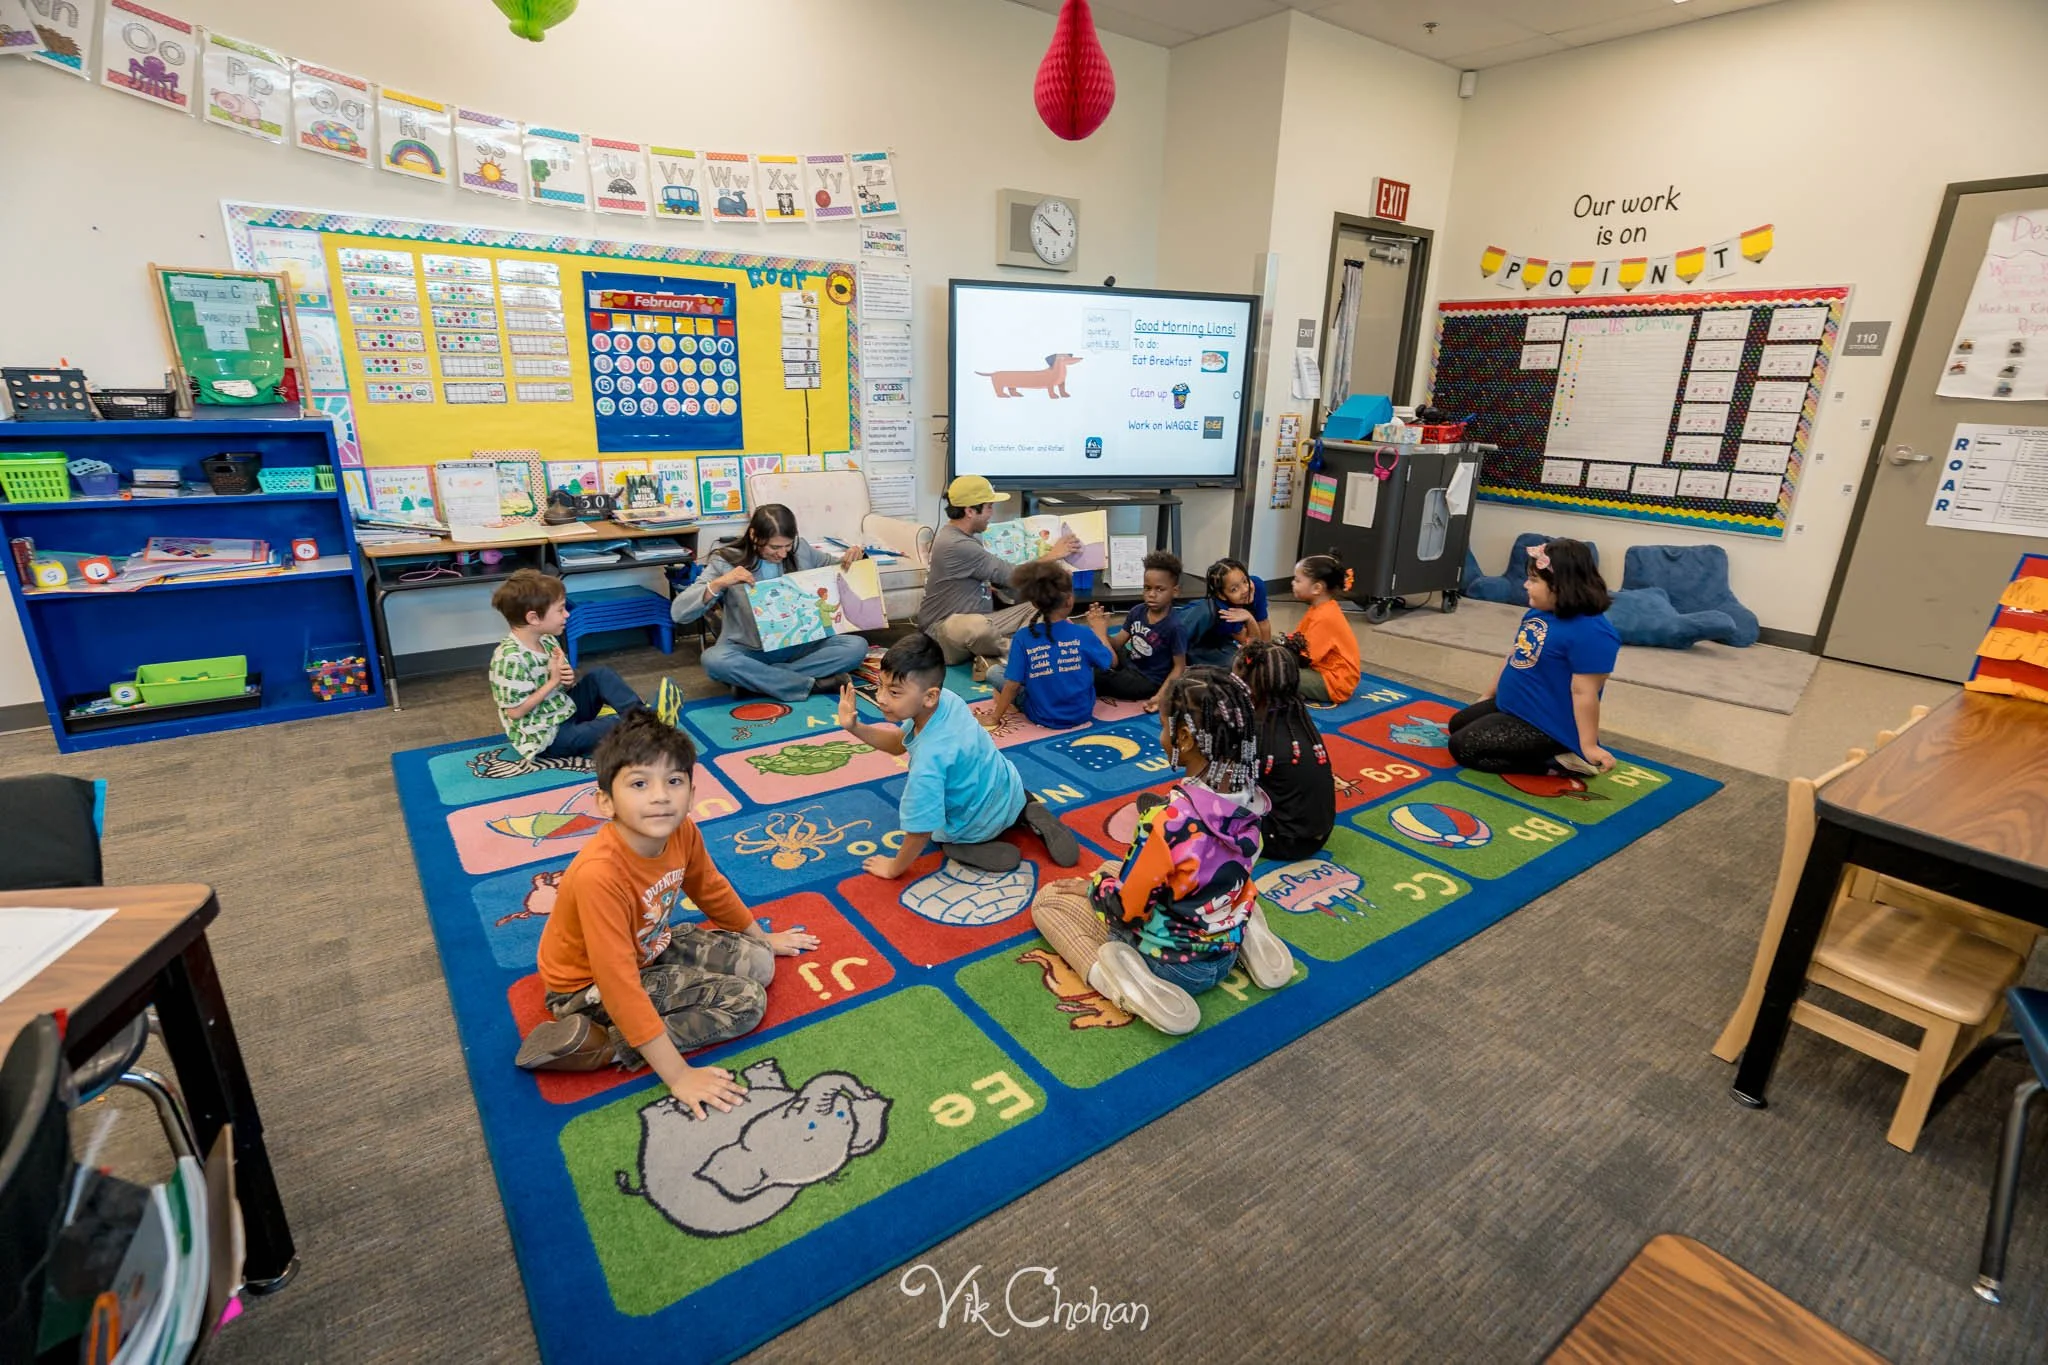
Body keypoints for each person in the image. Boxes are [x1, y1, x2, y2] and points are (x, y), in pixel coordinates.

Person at [512, 713, 819, 1117]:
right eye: (639, 784)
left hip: (646, 946)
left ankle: (643, 1019)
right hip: (586, 987)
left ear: (692, 792)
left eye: (674, 781)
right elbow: (618, 982)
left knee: (760, 962)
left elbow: (709, 887)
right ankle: (604, 1044)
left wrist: (759, 937)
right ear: (606, 801)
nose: (661, 796)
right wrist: (678, 1076)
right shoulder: (598, 876)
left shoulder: (682, 830)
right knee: (746, 1002)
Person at [1027, 667, 1295, 1036]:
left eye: (1165, 726)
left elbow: (1126, 911)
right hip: (1222, 940)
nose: (1162, 734)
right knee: (1115, 867)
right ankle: (1245, 937)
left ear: (1184, 737)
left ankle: (1124, 983)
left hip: (1174, 964)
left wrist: (1093, 890)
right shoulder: (1254, 801)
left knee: (1050, 903)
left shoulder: (1167, 821)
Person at [836, 632, 1079, 875]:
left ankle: (973, 844)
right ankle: (1028, 809)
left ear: (930, 696)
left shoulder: (927, 764)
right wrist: (855, 727)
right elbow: (900, 743)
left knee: (941, 835)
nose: (881, 699)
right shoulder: (948, 700)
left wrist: (893, 869)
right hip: (1009, 791)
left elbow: (920, 830)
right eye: (880, 686)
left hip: (976, 823)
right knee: (996, 777)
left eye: (894, 692)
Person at [1448, 539, 1620, 777]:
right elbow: (1515, 655)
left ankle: (1559, 761)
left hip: (1547, 724)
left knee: (1463, 748)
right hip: (1515, 706)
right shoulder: (1538, 612)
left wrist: (1589, 746)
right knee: (1456, 724)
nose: (1526, 585)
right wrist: (1488, 695)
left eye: (1534, 580)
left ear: (1561, 585)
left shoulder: (1594, 632)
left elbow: (1585, 692)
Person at [670, 503, 871, 704]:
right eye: (775, 547)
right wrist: (719, 583)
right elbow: (679, 613)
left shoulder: (801, 549)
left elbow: (838, 568)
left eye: (787, 545)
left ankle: (758, 682)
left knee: (856, 646)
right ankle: (810, 684)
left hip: (800, 645)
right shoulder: (725, 560)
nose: (783, 554)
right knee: (713, 660)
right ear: (754, 536)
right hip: (750, 649)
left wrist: (855, 557)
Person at [488, 568, 680, 760]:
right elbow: (515, 712)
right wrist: (553, 682)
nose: (567, 615)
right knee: (612, 725)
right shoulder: (509, 659)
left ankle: (645, 720)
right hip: (549, 737)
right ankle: (649, 726)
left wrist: (566, 680)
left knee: (600, 675)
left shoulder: (546, 640)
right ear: (533, 618)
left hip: (563, 710)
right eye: (560, 609)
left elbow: (563, 685)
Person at [915, 474, 1079, 676]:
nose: (992, 513)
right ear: (969, 511)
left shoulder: (963, 537)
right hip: (942, 633)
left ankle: (995, 655)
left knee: (1040, 606)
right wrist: (1053, 555)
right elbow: (1013, 575)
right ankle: (1018, 653)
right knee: (977, 627)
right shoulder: (957, 544)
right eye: (989, 507)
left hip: (984, 620)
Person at [1235, 639, 1335, 861]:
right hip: (1319, 834)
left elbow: (1233, 789)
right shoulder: (1295, 714)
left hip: (1283, 841)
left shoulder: (1258, 733)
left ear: (1250, 686)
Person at [982, 560, 1112, 731]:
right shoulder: (1083, 633)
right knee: (1088, 660)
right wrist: (1100, 631)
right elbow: (1108, 662)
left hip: (1041, 715)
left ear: (1034, 604)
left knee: (995, 672)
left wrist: (995, 717)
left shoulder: (1023, 637)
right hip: (1082, 713)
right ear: (1069, 600)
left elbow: (1012, 685)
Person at [1085, 550, 1187, 712]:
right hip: (1131, 662)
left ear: (1175, 591)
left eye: (1159, 589)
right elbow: (1118, 643)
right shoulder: (1137, 611)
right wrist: (1101, 629)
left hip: (1148, 681)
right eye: (1147, 588)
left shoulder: (1174, 627)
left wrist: (1161, 697)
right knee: (1092, 657)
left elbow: (1179, 668)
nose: (1151, 595)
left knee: (1094, 677)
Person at [1283, 554, 1362, 705]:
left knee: (1272, 672)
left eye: (1298, 580)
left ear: (1317, 588)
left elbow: (1304, 656)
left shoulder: (1325, 616)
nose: (1293, 583)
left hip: (1334, 683)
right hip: (1321, 671)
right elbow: (1296, 639)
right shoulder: (1320, 608)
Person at [1177, 556, 1271, 668]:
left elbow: (1263, 623)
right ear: (1222, 595)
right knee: (1235, 665)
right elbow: (1250, 645)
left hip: (1222, 640)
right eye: (1234, 589)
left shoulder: (1257, 585)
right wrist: (1249, 618)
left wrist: (1267, 657)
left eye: (1245, 581)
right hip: (1200, 641)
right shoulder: (1224, 610)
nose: (1245, 589)